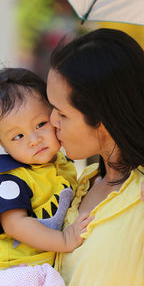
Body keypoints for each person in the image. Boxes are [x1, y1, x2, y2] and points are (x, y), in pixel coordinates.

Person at [0, 68, 94, 286]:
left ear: (54, 116)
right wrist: (64, 240)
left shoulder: (63, 165)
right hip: (4, 272)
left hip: (37, 268)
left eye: (40, 124)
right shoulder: (9, 180)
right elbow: (15, 224)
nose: (34, 140)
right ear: (1, 142)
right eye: (18, 136)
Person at [46, 28, 144, 286]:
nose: (51, 121)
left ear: (103, 119)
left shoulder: (140, 196)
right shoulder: (81, 183)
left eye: (62, 114)